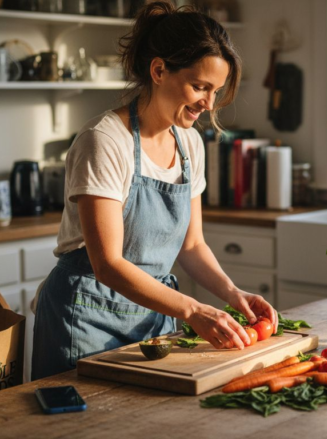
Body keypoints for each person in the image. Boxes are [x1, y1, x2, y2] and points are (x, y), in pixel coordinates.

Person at [31, 1, 277, 380]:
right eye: (200, 86)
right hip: (84, 317)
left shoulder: (190, 144)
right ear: (159, 70)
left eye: (216, 91)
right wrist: (193, 310)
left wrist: (232, 294)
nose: (208, 104)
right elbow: (108, 264)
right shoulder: (103, 141)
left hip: (151, 317)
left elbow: (192, 246)